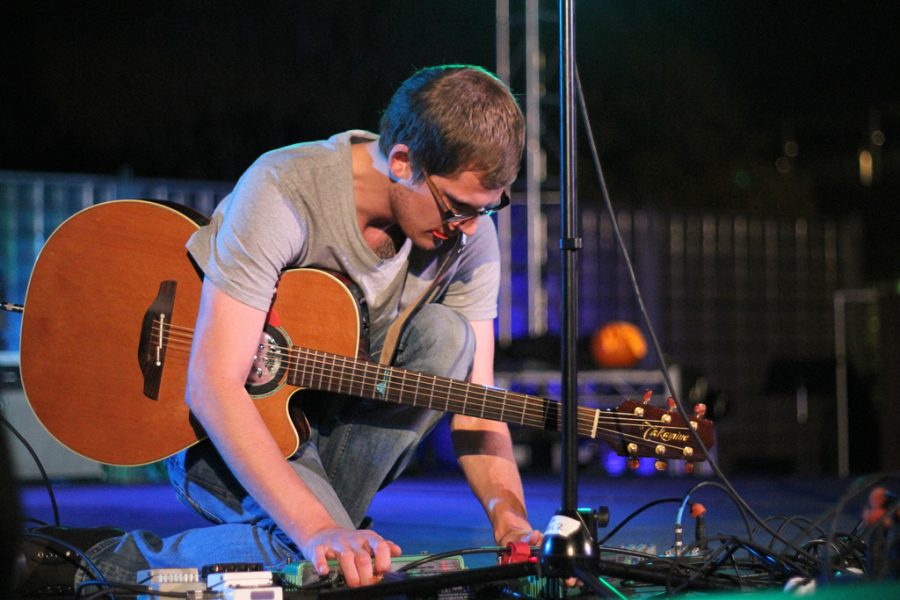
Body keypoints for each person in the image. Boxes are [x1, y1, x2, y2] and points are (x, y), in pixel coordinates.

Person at [81, 64, 541, 588]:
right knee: (314, 547)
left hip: (330, 439)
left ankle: (313, 536)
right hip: (218, 439)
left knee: (447, 337)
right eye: (458, 207)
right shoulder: (285, 188)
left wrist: (512, 522)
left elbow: (475, 403)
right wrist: (319, 527)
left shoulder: (470, 237)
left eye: (489, 209)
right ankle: (100, 562)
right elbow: (212, 384)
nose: (471, 228)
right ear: (401, 161)